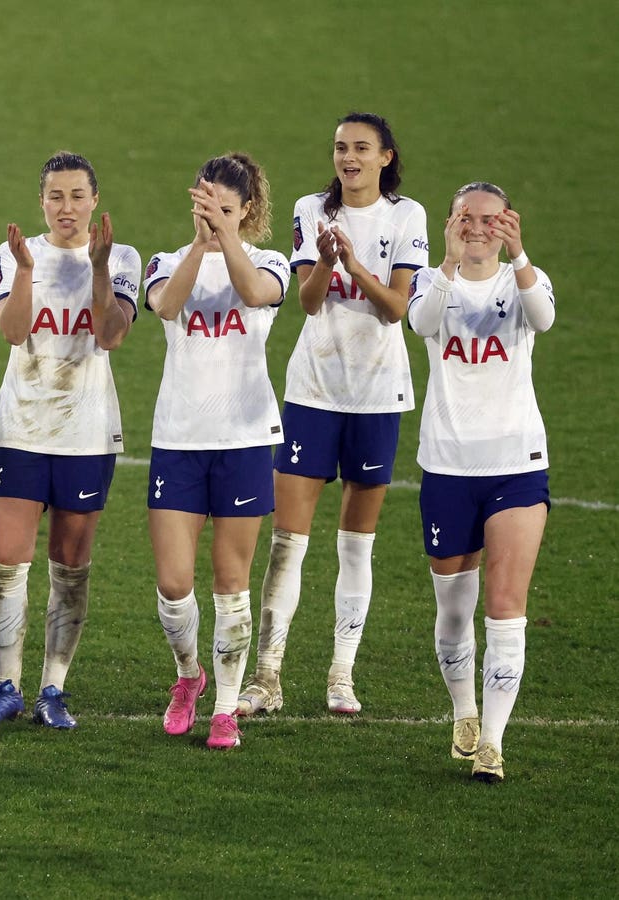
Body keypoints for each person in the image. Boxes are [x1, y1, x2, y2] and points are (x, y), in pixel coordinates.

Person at [237, 113, 429, 717]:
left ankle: (341, 674)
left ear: (386, 157)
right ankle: (267, 676)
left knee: (356, 546)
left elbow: (397, 307)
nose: (348, 158)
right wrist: (325, 260)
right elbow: (309, 302)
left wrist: (354, 263)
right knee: (288, 541)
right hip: (313, 391)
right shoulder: (309, 209)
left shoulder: (407, 217)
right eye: (341, 148)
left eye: (361, 149)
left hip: (376, 396)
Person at [0, 151, 140, 731]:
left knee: (70, 566)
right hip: (20, 429)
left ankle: (53, 689)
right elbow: (14, 332)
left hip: (86, 432)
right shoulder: (17, 255)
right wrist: (21, 271)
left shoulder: (121, 259)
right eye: (55, 197)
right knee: (5, 563)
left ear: (94, 200)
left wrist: (95, 268)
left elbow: (111, 335)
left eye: (76, 196)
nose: (66, 207)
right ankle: (7, 684)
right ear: (41, 202)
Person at [407, 182, 553, 783]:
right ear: (449, 223)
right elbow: (422, 323)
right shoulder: (429, 281)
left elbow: (543, 316)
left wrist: (519, 257)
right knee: (453, 611)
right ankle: (464, 713)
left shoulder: (526, 281)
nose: (477, 227)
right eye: (466, 217)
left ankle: (492, 742)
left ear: (509, 225)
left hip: (516, 464)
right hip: (447, 466)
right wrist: (444, 262)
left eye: (490, 219)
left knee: (505, 608)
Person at [144, 154, 289, 750]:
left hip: (245, 441)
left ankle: (225, 710)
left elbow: (255, 294)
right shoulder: (167, 263)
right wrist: (201, 246)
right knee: (174, 585)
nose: (214, 219)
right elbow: (167, 307)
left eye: (227, 210)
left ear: (246, 210)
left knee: (231, 583)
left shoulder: (269, 262)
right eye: (206, 209)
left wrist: (227, 239)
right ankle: (189, 677)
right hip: (178, 442)